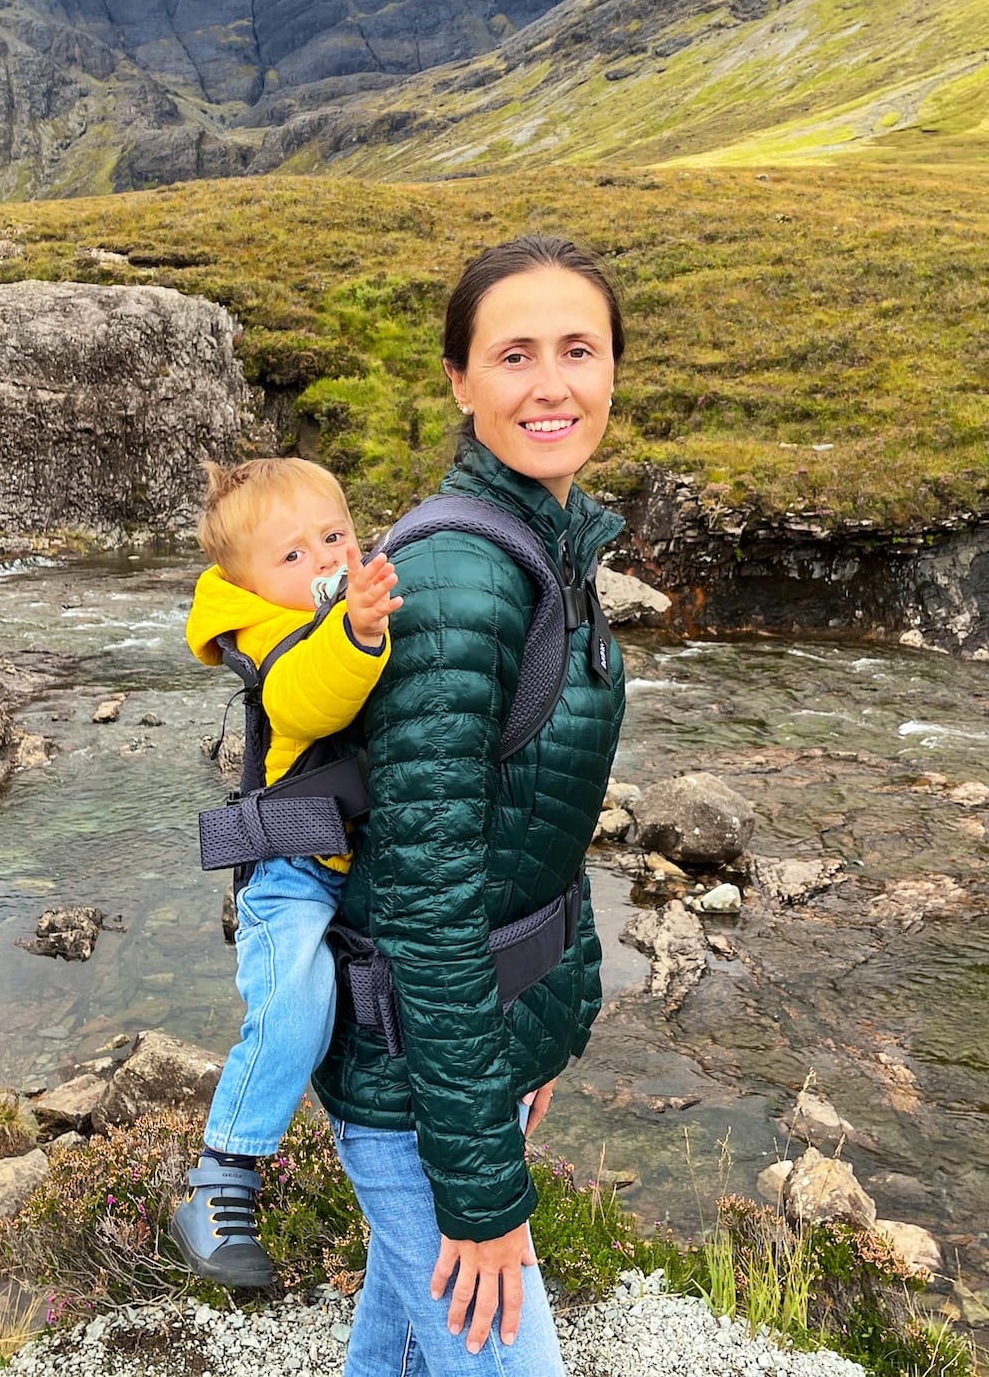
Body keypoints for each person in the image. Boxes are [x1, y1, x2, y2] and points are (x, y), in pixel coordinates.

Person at [314, 235, 629, 1374]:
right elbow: (427, 900)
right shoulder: (457, 580)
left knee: (400, 1341)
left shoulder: (547, 541)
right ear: (459, 382)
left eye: (576, 350)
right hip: (410, 1077)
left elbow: (538, 829)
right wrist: (480, 1189)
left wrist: (537, 1024)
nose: (549, 383)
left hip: (460, 1058)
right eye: (512, 354)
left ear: (609, 372)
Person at [169, 457, 403, 1287]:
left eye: (334, 538)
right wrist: (360, 632)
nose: (325, 561)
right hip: (290, 875)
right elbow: (309, 699)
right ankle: (221, 1176)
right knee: (296, 1008)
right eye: (293, 555)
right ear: (250, 585)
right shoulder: (278, 637)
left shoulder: (345, 603)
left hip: (351, 859)